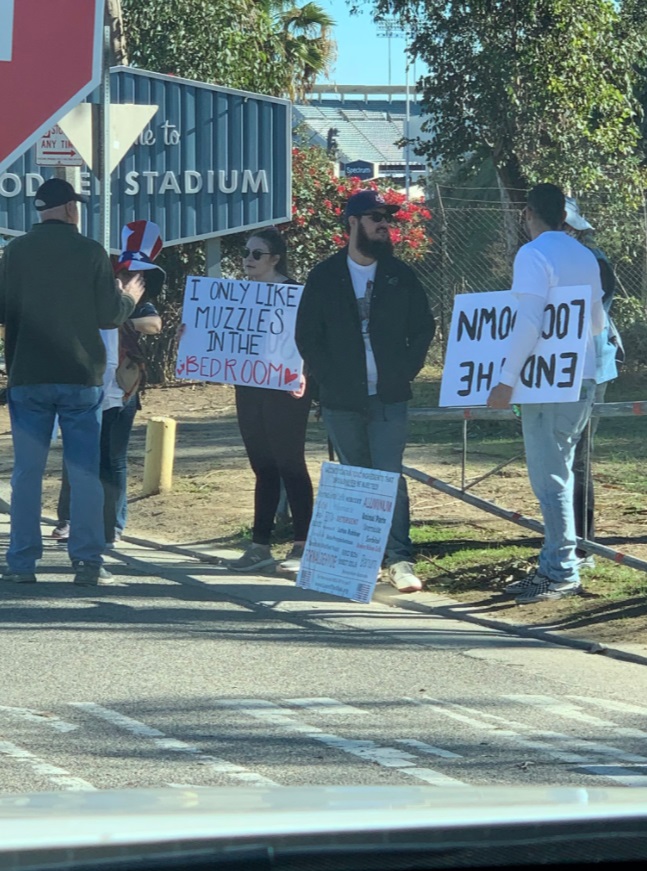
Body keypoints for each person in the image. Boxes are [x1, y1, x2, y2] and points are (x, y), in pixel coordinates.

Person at [0, 177, 143, 586]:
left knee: (26, 473)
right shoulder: (91, 252)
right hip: (81, 377)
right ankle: (88, 561)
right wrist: (128, 296)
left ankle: (22, 563)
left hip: (29, 376)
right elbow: (109, 316)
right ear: (68, 209)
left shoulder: (16, 252)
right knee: (84, 472)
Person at [295, 189, 435, 593]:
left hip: (389, 395)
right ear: (352, 223)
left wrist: (405, 370)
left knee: (389, 475)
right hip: (342, 398)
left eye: (386, 218)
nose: (384, 224)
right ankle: (360, 560)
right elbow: (308, 336)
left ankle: (400, 560)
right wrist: (327, 382)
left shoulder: (399, 275)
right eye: (375, 217)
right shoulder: (324, 277)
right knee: (356, 477)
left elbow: (423, 327)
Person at [487, 183, 605, 604]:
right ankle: (561, 560)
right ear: (564, 216)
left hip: (545, 381)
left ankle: (560, 569)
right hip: (582, 373)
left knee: (548, 475)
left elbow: (529, 321)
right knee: (563, 466)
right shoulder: (584, 254)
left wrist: (505, 379)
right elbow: (594, 323)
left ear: (527, 214)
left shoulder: (533, 254)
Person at [52, 221, 165, 547]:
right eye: (127, 272)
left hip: (122, 390)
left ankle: (112, 525)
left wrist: (121, 313)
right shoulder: (95, 292)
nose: (130, 279)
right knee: (76, 456)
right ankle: (69, 519)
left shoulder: (140, 303)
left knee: (112, 460)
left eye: (137, 276)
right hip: (85, 384)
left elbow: (154, 325)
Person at [227, 227, 313, 573]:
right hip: (248, 387)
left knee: (290, 463)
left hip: (286, 388)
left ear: (275, 258)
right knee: (262, 465)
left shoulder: (295, 294)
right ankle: (260, 544)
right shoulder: (236, 295)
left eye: (256, 254)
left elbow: (310, 340)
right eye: (246, 253)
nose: (248, 260)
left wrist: (306, 374)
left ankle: (302, 545)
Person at [563, 198, 619, 568]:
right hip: (560, 369)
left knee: (578, 458)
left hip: (590, 367)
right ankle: (565, 539)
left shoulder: (592, 261)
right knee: (562, 458)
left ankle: (582, 546)